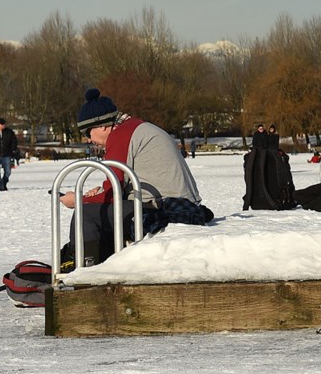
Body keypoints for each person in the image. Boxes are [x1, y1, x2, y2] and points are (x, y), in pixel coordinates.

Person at [58, 88, 212, 268]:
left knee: (86, 213)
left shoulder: (120, 135)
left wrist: (79, 200)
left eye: (87, 132)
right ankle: (101, 263)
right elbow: (119, 182)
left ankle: (84, 270)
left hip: (163, 206)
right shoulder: (135, 127)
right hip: (178, 202)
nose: (89, 140)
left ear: (102, 125)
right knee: (94, 208)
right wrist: (98, 194)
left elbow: (114, 192)